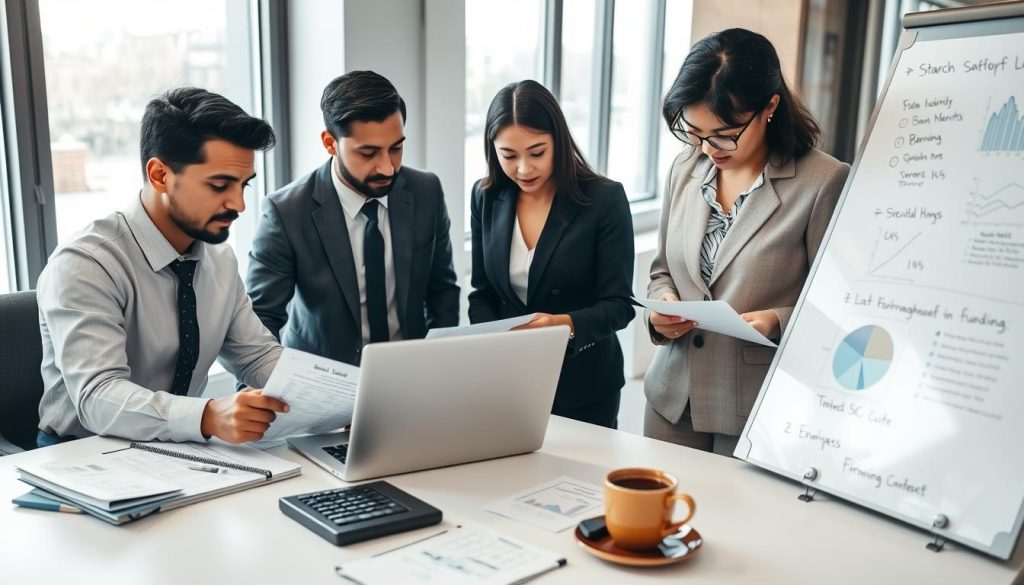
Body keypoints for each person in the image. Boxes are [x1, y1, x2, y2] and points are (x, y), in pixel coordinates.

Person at [37, 87, 289, 447]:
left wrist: (341, 400)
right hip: (83, 455)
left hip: (179, 450)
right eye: (219, 185)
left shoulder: (219, 259)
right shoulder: (86, 264)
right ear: (159, 175)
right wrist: (208, 416)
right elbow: (97, 397)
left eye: (243, 185)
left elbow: (258, 355)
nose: (238, 204)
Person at [644, 29, 851, 454]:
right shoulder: (686, 166)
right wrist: (661, 306)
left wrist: (776, 320)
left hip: (754, 406)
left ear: (770, 107)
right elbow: (663, 267)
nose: (707, 148)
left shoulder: (822, 182)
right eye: (694, 132)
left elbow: (840, 304)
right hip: (670, 398)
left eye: (724, 134)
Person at [246, 71, 459, 365]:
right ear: (330, 143)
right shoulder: (286, 212)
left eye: (396, 148)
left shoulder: (426, 191)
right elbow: (261, 320)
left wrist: (441, 364)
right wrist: (258, 397)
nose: (387, 167)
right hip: (322, 380)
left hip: (411, 373)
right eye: (368, 153)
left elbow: (442, 290)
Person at [469, 80, 635, 428]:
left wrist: (566, 325)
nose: (524, 169)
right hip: (508, 382)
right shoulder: (486, 196)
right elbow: (482, 293)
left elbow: (619, 305)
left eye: (537, 152)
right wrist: (491, 343)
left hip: (584, 383)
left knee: (581, 481)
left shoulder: (604, 199)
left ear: (559, 140)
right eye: (508, 156)